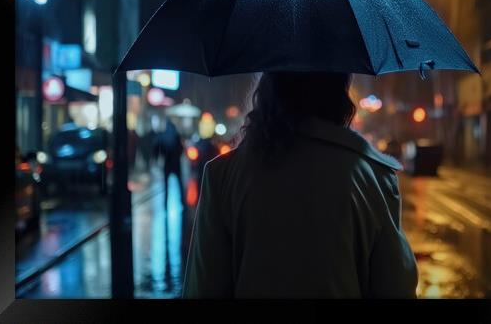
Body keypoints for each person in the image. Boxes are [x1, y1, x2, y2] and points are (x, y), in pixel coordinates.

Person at [183, 72, 418, 298]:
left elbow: (204, 287)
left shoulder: (224, 175)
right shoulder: (373, 178)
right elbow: (396, 286)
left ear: (269, 88)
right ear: (339, 90)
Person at [154, 118, 186, 208]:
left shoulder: (164, 136)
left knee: (167, 185)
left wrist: (159, 157)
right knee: (179, 184)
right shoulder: (176, 136)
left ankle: (166, 204)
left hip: (168, 163)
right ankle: (182, 202)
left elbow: (158, 149)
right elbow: (181, 149)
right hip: (175, 163)